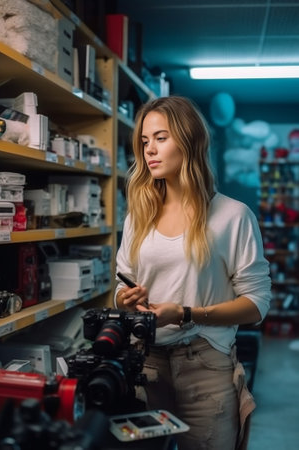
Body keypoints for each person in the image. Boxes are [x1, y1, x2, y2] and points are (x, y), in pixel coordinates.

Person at [114, 95, 271, 450]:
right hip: (147, 362)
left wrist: (185, 313)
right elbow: (120, 289)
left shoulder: (232, 216)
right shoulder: (139, 216)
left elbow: (257, 304)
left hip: (205, 362)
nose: (149, 150)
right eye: (144, 141)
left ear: (189, 140)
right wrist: (126, 299)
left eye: (161, 137)